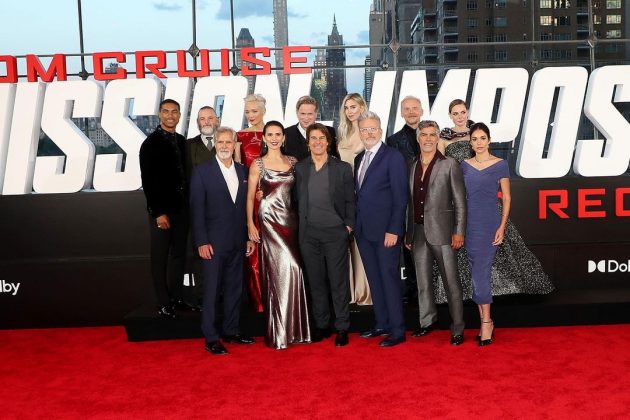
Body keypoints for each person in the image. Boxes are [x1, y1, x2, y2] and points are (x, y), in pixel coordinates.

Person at [433, 99, 554, 306]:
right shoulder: (443, 139)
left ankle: (491, 293)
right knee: (461, 252)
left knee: (500, 250)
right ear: (450, 115)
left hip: (484, 203)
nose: (460, 116)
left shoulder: (477, 135)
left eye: (463, 112)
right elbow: (443, 172)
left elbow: (496, 178)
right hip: (460, 201)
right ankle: (468, 294)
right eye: (455, 113)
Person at [190, 127, 256, 355]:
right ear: (215, 144)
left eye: (229, 142)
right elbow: (196, 210)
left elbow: (245, 209)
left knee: (234, 289)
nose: (225, 146)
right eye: (221, 142)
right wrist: (201, 242)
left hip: (238, 242)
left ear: (235, 143)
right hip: (213, 245)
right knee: (211, 292)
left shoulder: (243, 171)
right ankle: (211, 337)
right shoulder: (202, 172)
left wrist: (248, 237)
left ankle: (231, 330)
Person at [247, 121, 311, 350]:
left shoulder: (293, 162)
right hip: (269, 221)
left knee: (295, 270)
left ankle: (295, 330)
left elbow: (301, 190)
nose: (274, 138)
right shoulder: (258, 164)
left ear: (283, 138)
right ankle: (279, 332)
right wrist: (250, 224)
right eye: (270, 134)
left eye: (278, 134)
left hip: (290, 221)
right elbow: (250, 196)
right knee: (280, 272)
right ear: (264, 138)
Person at [404, 120, 466, 346]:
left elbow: (460, 202)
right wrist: (409, 233)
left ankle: (457, 327)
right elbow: (410, 204)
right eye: (424, 135)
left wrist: (459, 231)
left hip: (444, 233)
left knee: (451, 282)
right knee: (422, 282)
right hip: (418, 233)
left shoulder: (449, 164)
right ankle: (427, 322)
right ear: (417, 138)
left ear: (438, 137)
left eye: (433, 135)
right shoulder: (412, 164)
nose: (428, 139)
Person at [294, 123, 355, 347]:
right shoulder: (300, 169)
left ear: (328, 142)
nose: (317, 142)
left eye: (322, 138)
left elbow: (350, 200)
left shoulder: (342, 168)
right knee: (316, 282)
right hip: (309, 236)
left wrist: (347, 226)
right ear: (308, 142)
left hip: (335, 234)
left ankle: (342, 327)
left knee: (338, 282)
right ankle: (322, 325)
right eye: (313, 138)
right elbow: (294, 200)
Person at [354, 111, 409, 347]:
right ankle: (382, 323)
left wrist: (394, 230)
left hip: (387, 232)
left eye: (372, 129)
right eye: (364, 129)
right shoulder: (359, 158)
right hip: (364, 231)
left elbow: (400, 197)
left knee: (389, 280)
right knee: (374, 280)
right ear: (359, 132)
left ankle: (397, 330)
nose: (368, 133)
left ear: (380, 130)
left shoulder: (393, 157)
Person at [462, 122, 511, 346]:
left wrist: (502, 226)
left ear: (489, 140)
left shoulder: (500, 165)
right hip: (469, 225)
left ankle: (486, 322)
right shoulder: (464, 165)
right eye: (475, 139)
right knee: (476, 274)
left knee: (480, 273)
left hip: (490, 224)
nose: (479, 143)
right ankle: (486, 320)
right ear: (470, 143)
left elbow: (507, 198)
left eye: (483, 138)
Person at [139, 99, 188, 318]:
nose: (170, 115)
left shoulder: (181, 140)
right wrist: (158, 212)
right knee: (160, 258)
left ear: (179, 115)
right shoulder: (150, 143)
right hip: (162, 212)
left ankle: (176, 298)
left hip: (182, 210)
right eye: (166, 111)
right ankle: (162, 302)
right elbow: (148, 181)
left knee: (179, 255)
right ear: (160, 114)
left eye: (174, 112)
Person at [386, 95, 423, 302]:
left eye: (414, 108)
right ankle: (413, 289)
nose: (411, 112)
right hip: (407, 202)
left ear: (421, 111)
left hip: (434, 201)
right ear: (401, 113)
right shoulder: (393, 140)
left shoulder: (433, 135)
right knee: (409, 249)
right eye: (407, 109)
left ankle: (435, 290)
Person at [184, 106, 220, 310]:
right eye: (202, 119)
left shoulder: (227, 142)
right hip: (199, 210)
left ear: (217, 120)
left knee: (223, 253)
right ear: (198, 122)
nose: (206, 122)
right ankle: (201, 297)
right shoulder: (188, 146)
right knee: (200, 254)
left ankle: (222, 295)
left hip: (224, 211)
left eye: (210, 118)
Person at [337, 93, 371, 306]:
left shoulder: (368, 132)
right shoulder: (342, 133)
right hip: (343, 195)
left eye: (353, 107)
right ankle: (351, 292)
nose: (350, 111)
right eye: (346, 107)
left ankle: (365, 293)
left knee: (362, 244)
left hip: (363, 194)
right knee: (347, 245)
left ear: (361, 107)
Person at [236, 93, 266, 312]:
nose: (250, 115)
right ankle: (258, 303)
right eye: (247, 111)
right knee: (252, 252)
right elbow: (238, 172)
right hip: (249, 201)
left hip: (271, 200)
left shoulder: (273, 133)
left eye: (254, 111)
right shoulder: (239, 137)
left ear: (263, 110)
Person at [284, 95, 339, 161]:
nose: (306, 118)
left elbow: (336, 160)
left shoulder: (329, 131)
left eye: (310, 114)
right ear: (297, 113)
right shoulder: (286, 133)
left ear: (316, 114)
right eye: (303, 114)